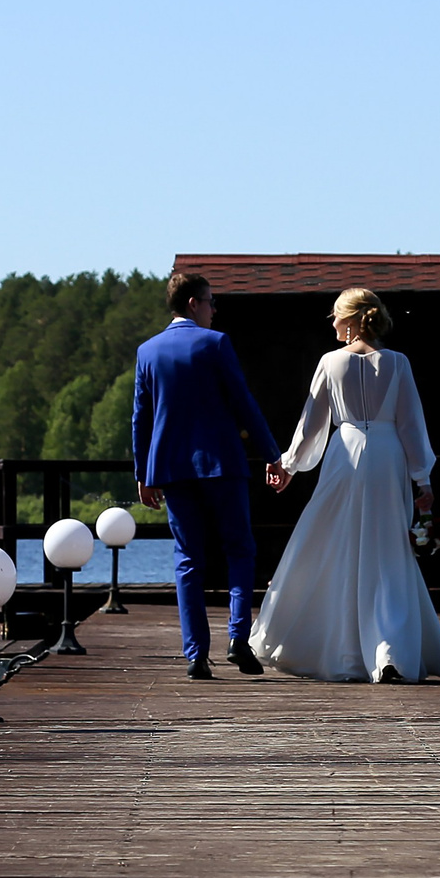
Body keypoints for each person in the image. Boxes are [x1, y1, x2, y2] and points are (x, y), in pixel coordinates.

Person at [251, 287, 440, 684]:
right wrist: (422, 479)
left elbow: (311, 425)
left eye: (335, 316)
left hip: (344, 455)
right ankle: (388, 655)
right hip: (388, 458)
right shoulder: (398, 364)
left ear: (349, 321)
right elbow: (412, 426)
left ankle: (338, 646)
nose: (331, 322)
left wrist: (289, 466)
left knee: (334, 544)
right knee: (386, 554)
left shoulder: (331, 363)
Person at [131, 271, 291, 679]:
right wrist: (273, 454)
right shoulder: (215, 343)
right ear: (192, 304)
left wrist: (143, 473)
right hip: (221, 464)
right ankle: (238, 636)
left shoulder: (147, 352)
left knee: (188, 560)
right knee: (240, 551)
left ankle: (196, 656)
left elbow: (141, 419)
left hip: (171, 469)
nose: (214, 309)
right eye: (210, 301)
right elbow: (243, 403)